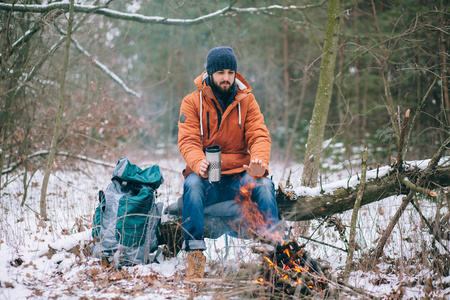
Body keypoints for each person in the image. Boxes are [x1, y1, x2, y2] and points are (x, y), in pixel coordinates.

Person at [177, 46, 280, 280]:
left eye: (231, 72)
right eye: (221, 72)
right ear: (210, 73)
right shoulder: (192, 102)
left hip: (238, 177)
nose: (226, 77)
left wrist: (260, 163)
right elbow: (187, 140)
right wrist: (198, 162)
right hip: (207, 175)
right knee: (191, 186)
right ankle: (194, 255)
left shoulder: (247, 101)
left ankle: (274, 255)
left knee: (264, 185)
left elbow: (259, 135)